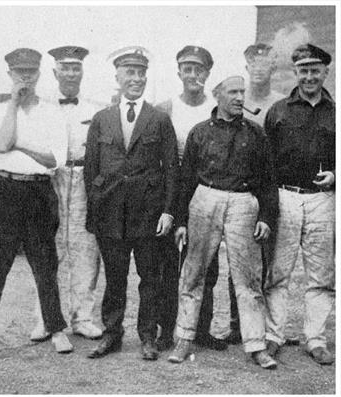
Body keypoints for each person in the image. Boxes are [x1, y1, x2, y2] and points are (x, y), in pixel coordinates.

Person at [167, 75, 278, 370]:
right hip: (205, 201)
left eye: (242, 91)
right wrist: (180, 221)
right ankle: (184, 338)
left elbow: (268, 181)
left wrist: (266, 216)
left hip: (244, 203)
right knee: (193, 273)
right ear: (217, 96)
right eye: (233, 92)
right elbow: (186, 179)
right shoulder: (200, 133)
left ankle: (256, 344)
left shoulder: (256, 134)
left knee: (248, 278)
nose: (240, 97)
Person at [83, 47, 178, 362]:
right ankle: (112, 335)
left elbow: (172, 170)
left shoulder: (159, 119)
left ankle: (148, 337)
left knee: (150, 280)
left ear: (146, 77)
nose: (136, 79)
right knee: (114, 279)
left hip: (149, 214)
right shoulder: (102, 119)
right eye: (129, 72)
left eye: (140, 73)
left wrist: (167, 211)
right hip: (110, 214)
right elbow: (91, 170)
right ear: (118, 77)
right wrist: (96, 207)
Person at [0, 48, 72, 355]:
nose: (25, 78)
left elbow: (55, 158)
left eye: (30, 72)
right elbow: (1, 143)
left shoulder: (52, 111)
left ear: (39, 74)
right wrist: (14, 104)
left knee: (45, 264)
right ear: (10, 75)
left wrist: (20, 144)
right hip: (2, 190)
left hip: (38, 192)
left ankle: (56, 329)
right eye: (19, 72)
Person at [154, 45, 238, 352]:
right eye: (187, 69)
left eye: (199, 69)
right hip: (173, 191)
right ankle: (167, 329)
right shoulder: (165, 108)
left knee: (207, 264)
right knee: (169, 264)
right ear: (179, 73)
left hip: (205, 192)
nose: (193, 75)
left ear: (207, 74)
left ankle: (200, 329)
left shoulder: (214, 110)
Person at [263, 44, 335, 366]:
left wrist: (335, 175)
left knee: (320, 275)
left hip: (322, 201)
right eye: (303, 70)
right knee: (279, 272)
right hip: (285, 198)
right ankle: (273, 335)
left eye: (315, 70)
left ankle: (315, 339)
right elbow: (263, 163)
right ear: (295, 73)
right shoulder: (278, 111)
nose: (309, 76)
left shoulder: (336, 113)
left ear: (325, 72)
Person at [28, 45, 103, 342]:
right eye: (65, 67)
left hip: (83, 179)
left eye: (76, 67)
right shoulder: (41, 106)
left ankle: (83, 317)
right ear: (54, 72)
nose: (71, 73)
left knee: (85, 249)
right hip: (51, 179)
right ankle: (45, 319)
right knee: (48, 250)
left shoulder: (94, 109)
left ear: (82, 72)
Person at [243, 43, 286, 126]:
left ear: (273, 69)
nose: (258, 70)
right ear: (247, 68)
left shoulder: (282, 103)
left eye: (263, 65)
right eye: (253, 65)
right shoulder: (237, 101)